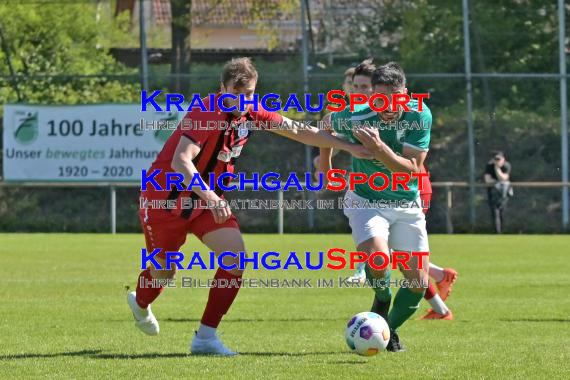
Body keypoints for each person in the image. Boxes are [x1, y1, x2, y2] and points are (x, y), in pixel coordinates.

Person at [128, 57, 371, 356]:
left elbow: (297, 130)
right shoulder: (206, 111)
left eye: (250, 93)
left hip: (205, 202)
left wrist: (349, 146)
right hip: (165, 201)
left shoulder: (251, 111)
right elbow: (181, 160)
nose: (244, 100)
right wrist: (212, 197)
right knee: (163, 273)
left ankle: (205, 338)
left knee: (235, 258)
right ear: (223, 88)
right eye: (237, 93)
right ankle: (140, 302)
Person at [317, 61, 459, 318]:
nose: (389, 106)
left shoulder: (419, 114)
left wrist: (380, 149)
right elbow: (325, 124)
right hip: (366, 199)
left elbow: (412, 168)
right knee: (379, 260)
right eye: (381, 99)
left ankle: (389, 332)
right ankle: (382, 299)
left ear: (405, 94)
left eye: (395, 99)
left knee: (417, 282)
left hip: (406, 203)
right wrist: (326, 165)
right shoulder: (357, 114)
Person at [483, 151, 512, 233]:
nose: (497, 161)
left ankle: (503, 231)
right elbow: (487, 180)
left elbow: (504, 178)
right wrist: (499, 181)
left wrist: (497, 168)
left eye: (499, 159)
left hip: (503, 193)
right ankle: (497, 233)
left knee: (503, 213)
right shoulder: (489, 166)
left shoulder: (506, 165)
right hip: (492, 192)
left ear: (503, 159)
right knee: (494, 213)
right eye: (495, 159)